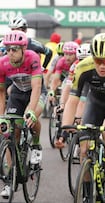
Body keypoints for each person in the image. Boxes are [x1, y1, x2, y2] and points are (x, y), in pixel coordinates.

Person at [57, 33, 105, 197]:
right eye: (97, 60)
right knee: (84, 150)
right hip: (95, 102)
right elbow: (73, 100)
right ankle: (86, 193)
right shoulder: (83, 67)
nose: (101, 65)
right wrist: (63, 129)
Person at [0, 30, 43, 198]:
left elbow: (37, 87)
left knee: (31, 118)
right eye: (8, 49)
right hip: (18, 94)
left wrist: (31, 111)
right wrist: (2, 116)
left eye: (15, 49)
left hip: (36, 92)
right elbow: (2, 93)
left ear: (24, 49)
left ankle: (37, 145)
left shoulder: (32, 58)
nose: (11, 53)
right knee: (11, 132)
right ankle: (10, 180)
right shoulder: (3, 63)